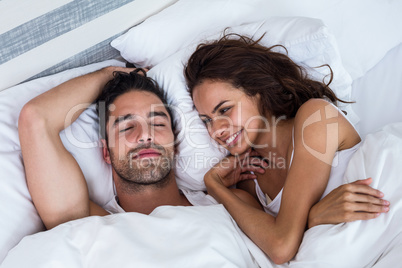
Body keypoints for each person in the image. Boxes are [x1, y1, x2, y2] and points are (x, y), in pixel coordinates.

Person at [184, 34, 390, 264]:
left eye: (224, 110)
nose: (216, 130)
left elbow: (282, 244)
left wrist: (311, 218)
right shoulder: (249, 184)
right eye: (206, 120)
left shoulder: (316, 118)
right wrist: (213, 184)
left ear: (257, 91)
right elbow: (275, 254)